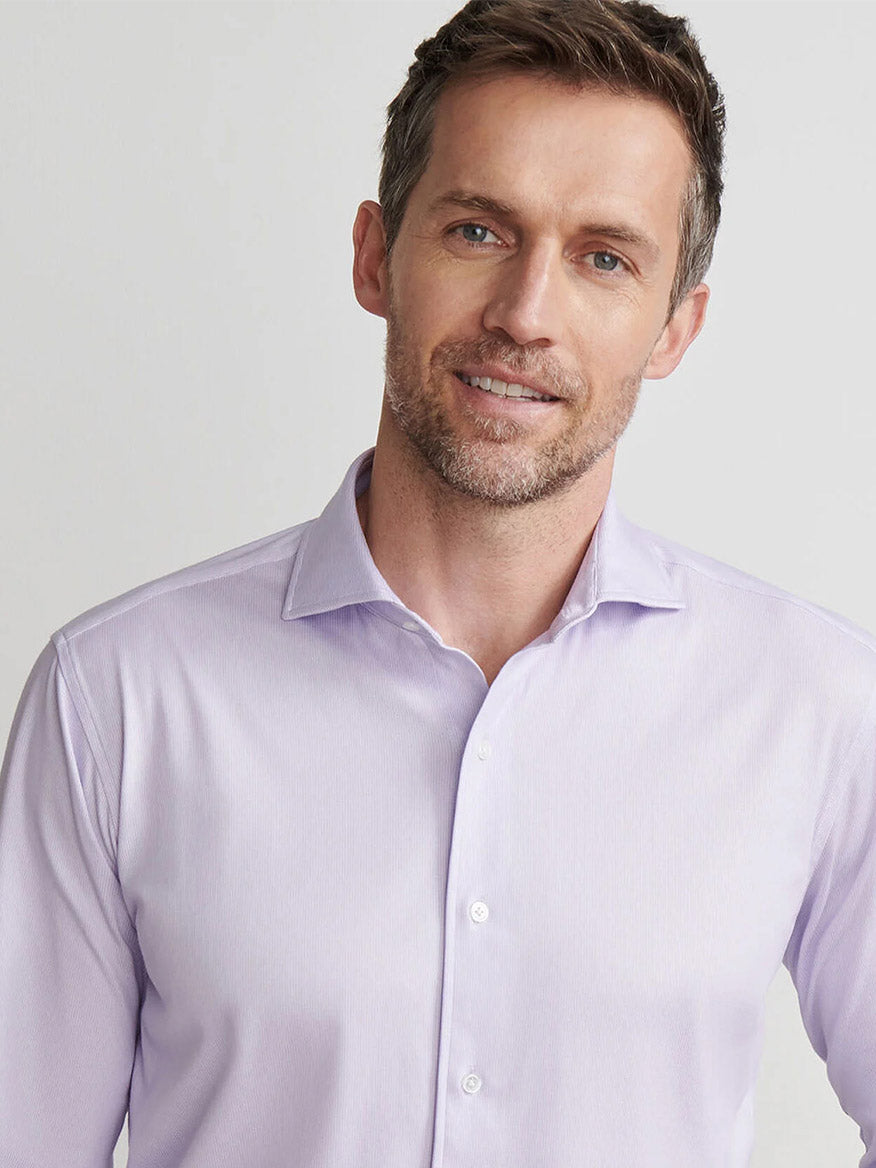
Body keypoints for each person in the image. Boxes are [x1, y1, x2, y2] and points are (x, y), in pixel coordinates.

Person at [1, 0, 874, 1164]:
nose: (525, 315)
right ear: (375, 253)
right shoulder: (118, 697)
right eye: (477, 231)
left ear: (674, 328)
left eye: (604, 258)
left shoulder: (813, 703)